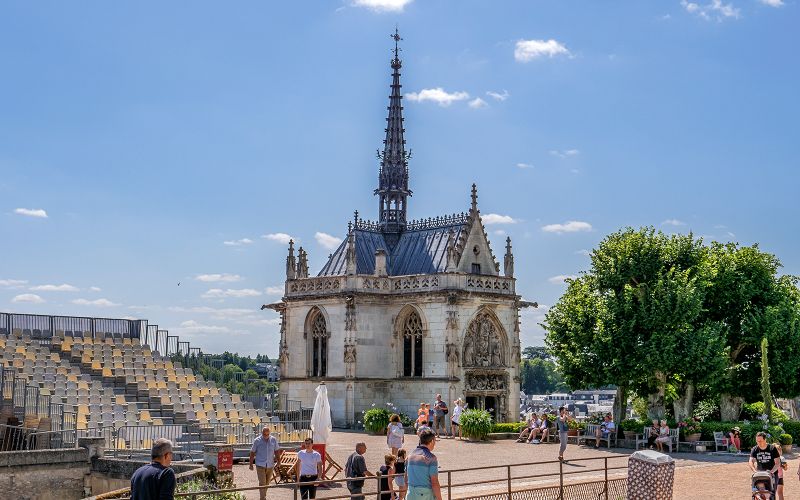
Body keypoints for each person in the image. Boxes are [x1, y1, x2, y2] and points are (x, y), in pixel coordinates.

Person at [406, 427, 442, 500]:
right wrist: (439, 498)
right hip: (425, 494)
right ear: (432, 441)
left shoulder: (409, 456)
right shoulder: (431, 458)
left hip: (410, 493)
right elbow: (434, 482)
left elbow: (405, 478)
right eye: (435, 441)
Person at [249, 426, 279, 500]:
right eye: (264, 434)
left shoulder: (273, 440)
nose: (266, 436)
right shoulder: (257, 440)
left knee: (267, 483)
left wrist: (279, 461)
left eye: (267, 434)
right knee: (262, 482)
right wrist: (250, 464)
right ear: (262, 433)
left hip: (270, 465)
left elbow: (276, 451)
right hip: (260, 464)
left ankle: (263, 496)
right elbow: (252, 452)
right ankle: (262, 498)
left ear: (269, 433)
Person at [750, 431, 780, 498]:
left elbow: (778, 463)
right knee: (758, 493)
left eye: (760, 441)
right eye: (757, 441)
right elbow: (751, 461)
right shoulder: (755, 449)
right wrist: (755, 471)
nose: (758, 443)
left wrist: (771, 472)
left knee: (771, 494)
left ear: (765, 439)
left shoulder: (772, 448)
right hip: (759, 475)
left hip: (772, 474)